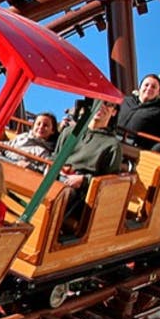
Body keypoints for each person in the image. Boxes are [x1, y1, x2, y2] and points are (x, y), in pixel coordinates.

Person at [57, 99, 123, 234]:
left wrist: (84, 180)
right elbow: (54, 157)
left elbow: (109, 181)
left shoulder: (112, 145)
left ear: (114, 112)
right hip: (58, 176)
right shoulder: (70, 132)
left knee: (62, 194)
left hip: (81, 193)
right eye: (98, 102)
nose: (101, 106)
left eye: (108, 104)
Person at [116, 74, 160, 151]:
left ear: (158, 93)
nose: (149, 88)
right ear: (140, 87)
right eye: (146, 85)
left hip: (137, 150)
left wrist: (153, 151)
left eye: (153, 87)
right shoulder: (125, 101)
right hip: (113, 139)